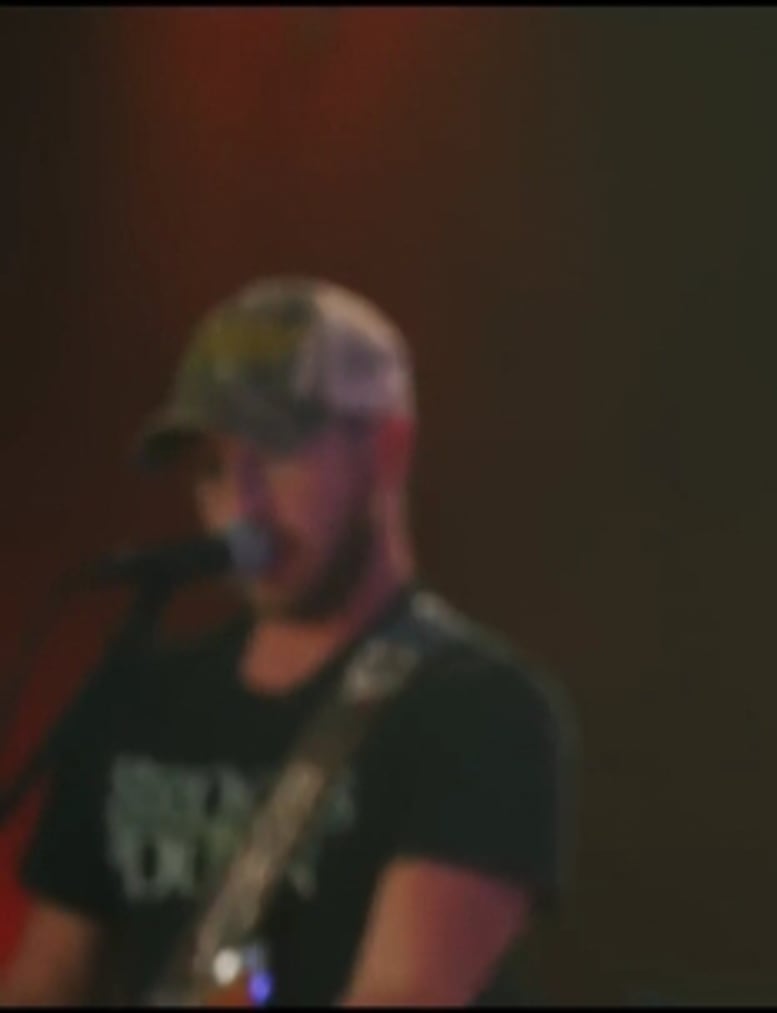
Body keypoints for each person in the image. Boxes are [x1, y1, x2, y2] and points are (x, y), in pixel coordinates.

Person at [0, 277, 575, 1005]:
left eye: (273, 451)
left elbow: (402, 994)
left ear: (387, 449)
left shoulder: (479, 710)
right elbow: (47, 976)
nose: (239, 505)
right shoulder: (139, 702)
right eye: (212, 466)